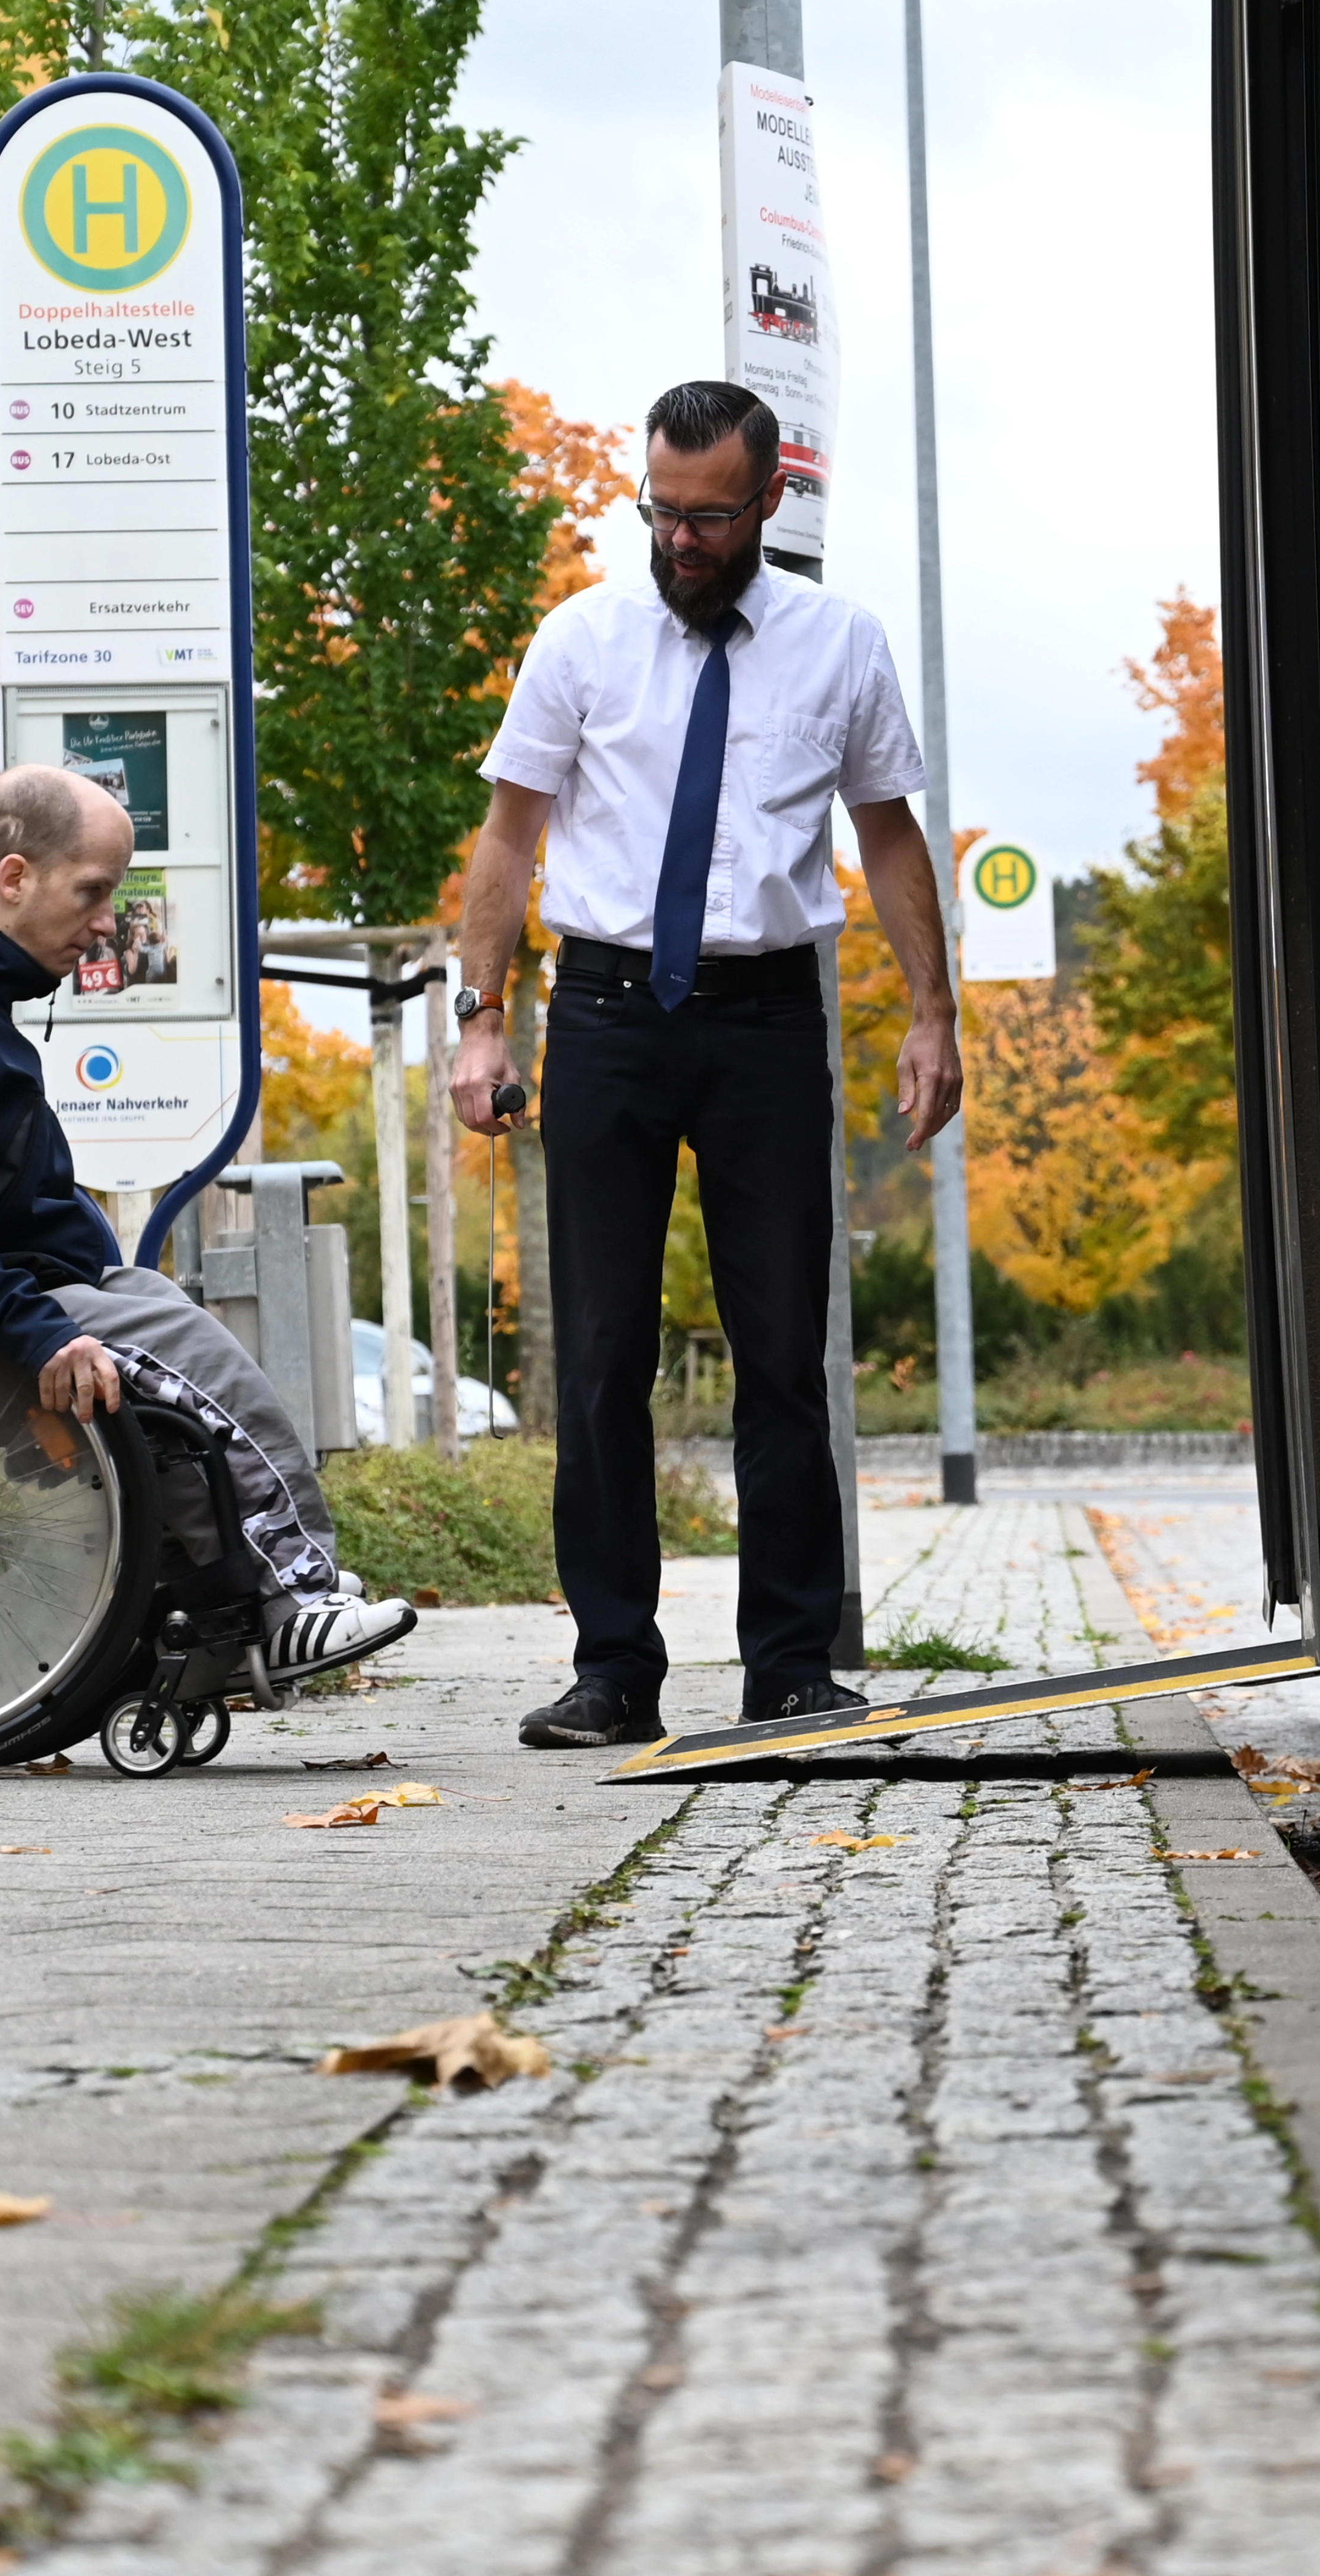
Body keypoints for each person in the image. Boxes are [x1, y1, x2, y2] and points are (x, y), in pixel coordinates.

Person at [452, 379, 963, 1748]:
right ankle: (612, 1665)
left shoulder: (839, 647)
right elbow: (510, 836)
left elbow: (889, 835)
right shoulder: (581, 640)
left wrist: (933, 1012)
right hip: (608, 1018)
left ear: (768, 504)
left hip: (765, 1030)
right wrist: (480, 1013)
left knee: (783, 1354)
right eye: (661, 514)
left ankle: (791, 1665)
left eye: (710, 518)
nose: (680, 541)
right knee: (603, 1353)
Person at [0, 767, 417, 1683]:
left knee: (151, 1313)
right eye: (93, 891)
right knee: (174, 1343)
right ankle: (297, 1596)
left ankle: (221, 1609)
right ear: (13, 878)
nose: (104, 922)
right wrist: (38, 1327)